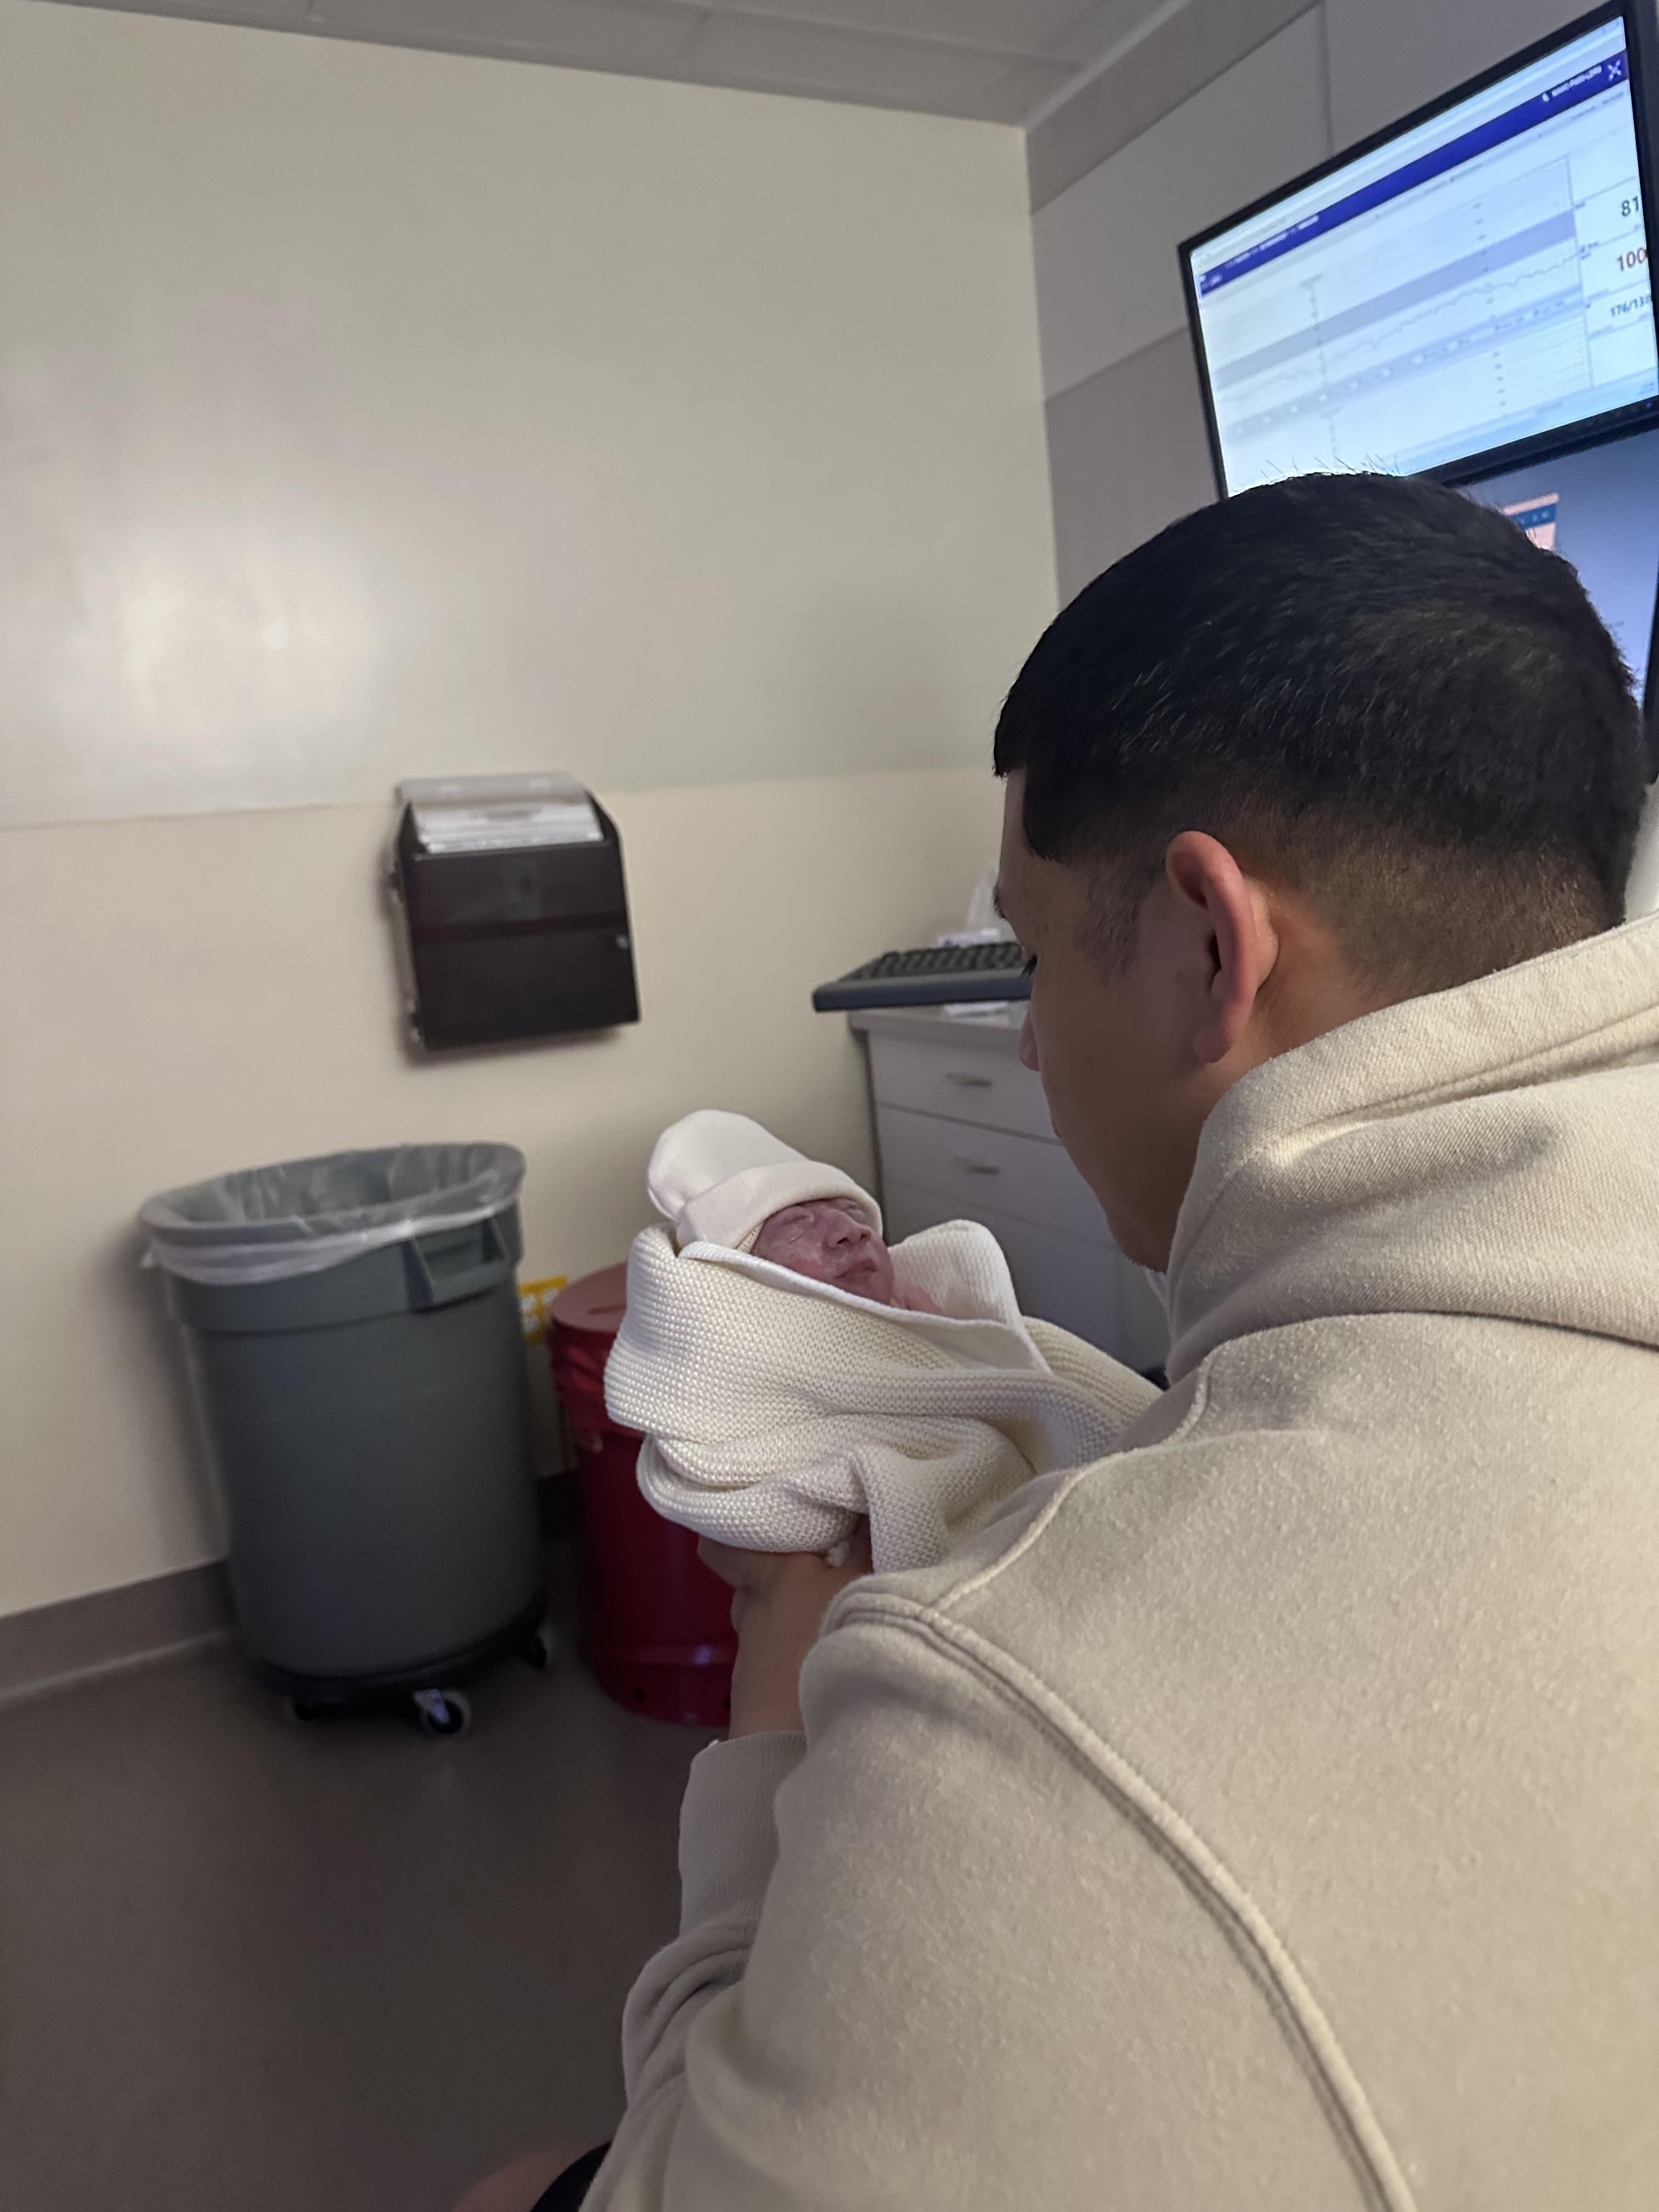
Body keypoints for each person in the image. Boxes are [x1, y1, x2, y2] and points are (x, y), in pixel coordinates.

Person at [462, 471, 1659, 2211]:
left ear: (1203, 944)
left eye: (1024, 954)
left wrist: (782, 1708)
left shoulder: (1019, 1720)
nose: (1028, 1044)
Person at [605, 1108, 1153, 1572]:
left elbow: (987, 1372)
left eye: (852, 1215)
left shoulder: (915, 1309)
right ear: (742, 1278)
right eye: (797, 1225)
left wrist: (941, 1337)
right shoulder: (746, 1357)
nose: (851, 1231)